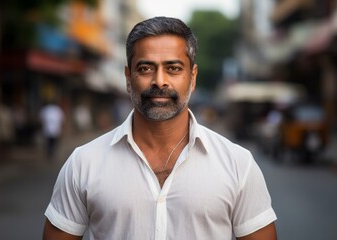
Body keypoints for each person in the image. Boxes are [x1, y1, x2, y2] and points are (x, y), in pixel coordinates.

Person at [43, 16, 277, 240]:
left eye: (173, 68)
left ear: (193, 78)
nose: (160, 81)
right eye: (145, 68)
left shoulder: (238, 164)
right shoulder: (84, 163)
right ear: (128, 77)